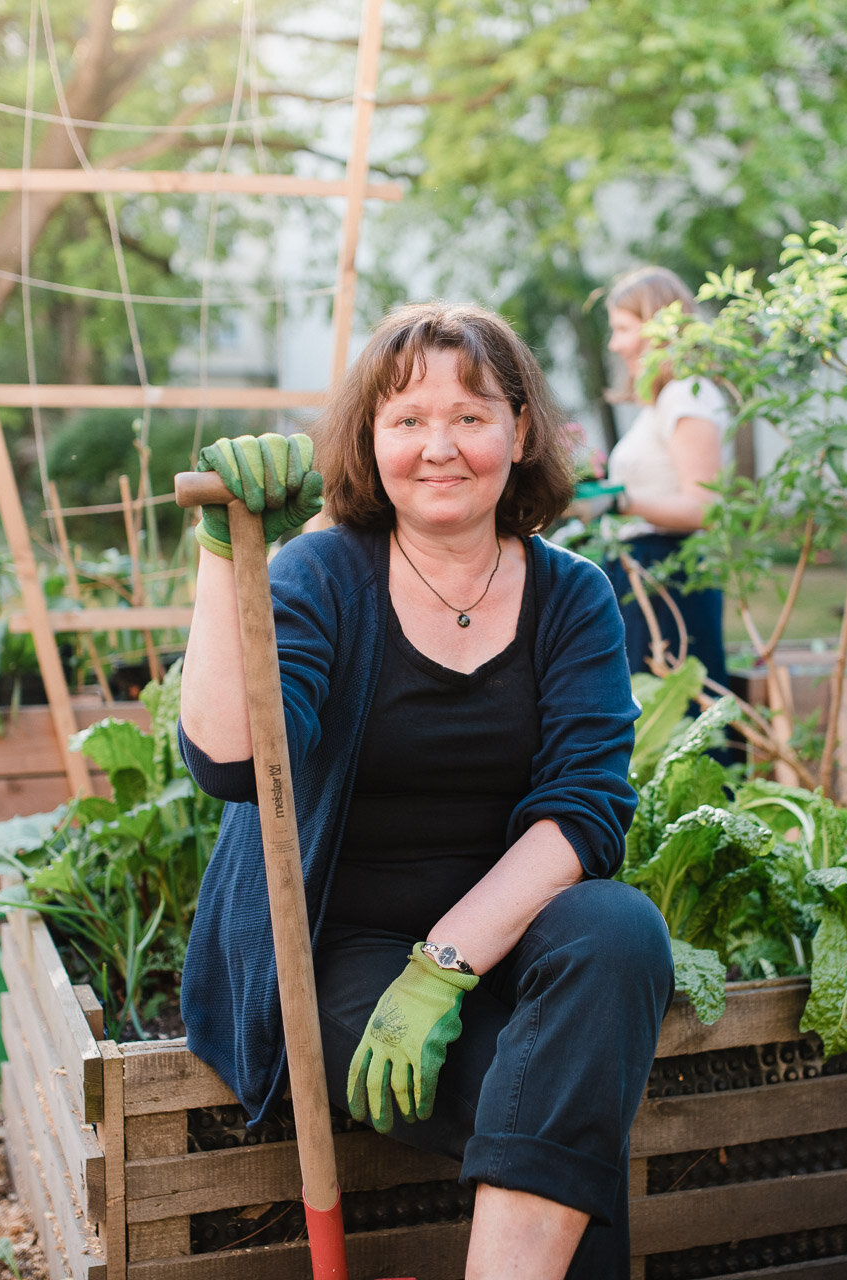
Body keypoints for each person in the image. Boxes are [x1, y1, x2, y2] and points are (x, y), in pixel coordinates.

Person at [177, 301, 673, 1279]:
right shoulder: (325, 574)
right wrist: (230, 557)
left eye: (471, 415)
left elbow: (585, 810)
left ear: (520, 430)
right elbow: (233, 764)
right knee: (564, 1122)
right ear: (370, 437)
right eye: (407, 419)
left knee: (620, 929)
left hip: (502, 942)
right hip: (338, 949)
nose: (439, 446)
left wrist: (443, 966)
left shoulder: (570, 595)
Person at [597, 267, 732, 686]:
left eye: (622, 329)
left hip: (672, 575)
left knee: (678, 714)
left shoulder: (685, 396)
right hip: (647, 573)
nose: (615, 344)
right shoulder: (664, 400)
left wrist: (617, 500)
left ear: (657, 327)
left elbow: (705, 507)